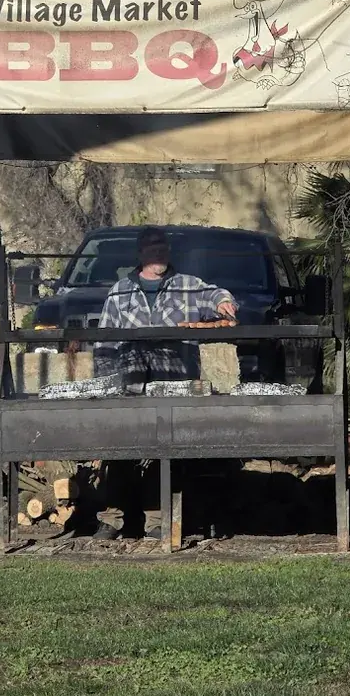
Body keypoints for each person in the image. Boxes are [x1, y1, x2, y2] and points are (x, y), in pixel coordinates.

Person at [93, 226, 237, 539]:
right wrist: (104, 385)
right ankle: (112, 521)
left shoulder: (187, 286)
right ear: (140, 253)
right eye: (152, 249)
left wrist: (225, 303)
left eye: (163, 249)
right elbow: (103, 344)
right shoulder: (118, 293)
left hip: (175, 384)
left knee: (164, 455)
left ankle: (158, 524)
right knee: (120, 452)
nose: (159, 254)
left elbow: (215, 294)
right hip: (130, 386)